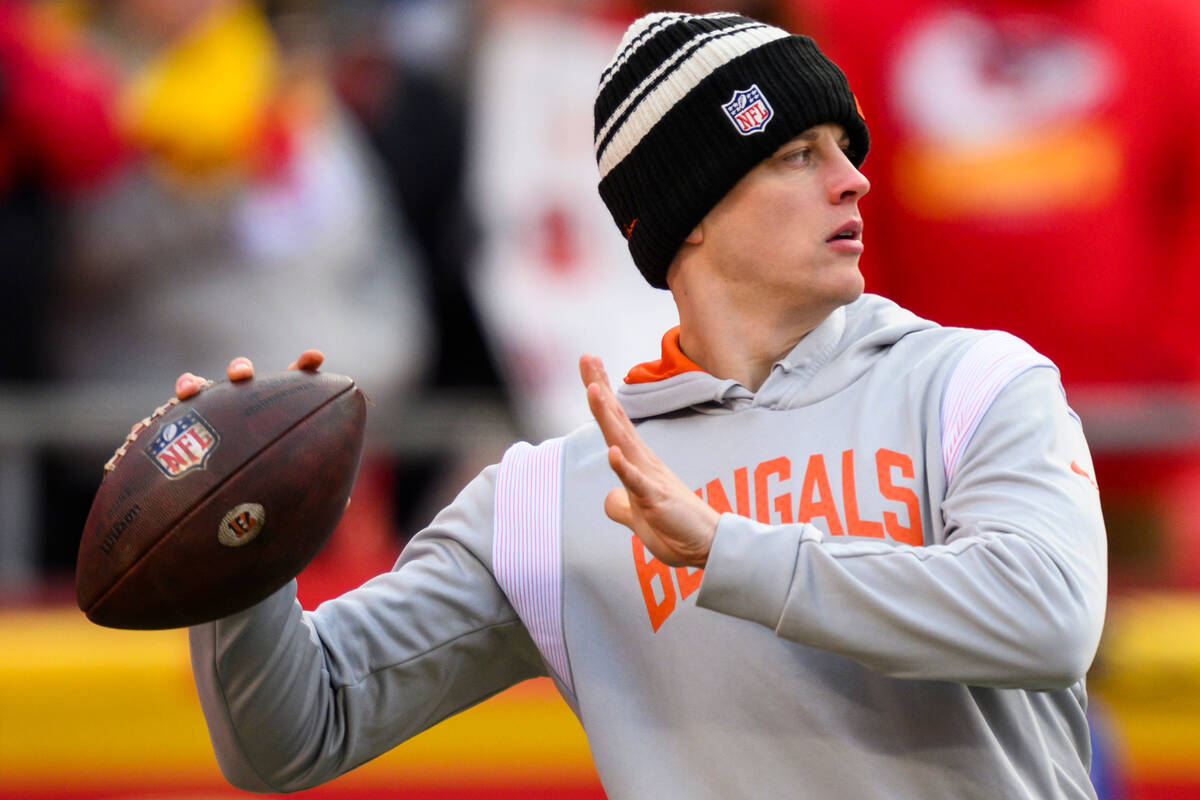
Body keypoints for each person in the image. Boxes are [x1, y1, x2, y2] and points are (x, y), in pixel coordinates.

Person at [175, 12, 1107, 798]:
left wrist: (730, 553)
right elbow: (292, 736)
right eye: (798, 152)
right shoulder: (552, 498)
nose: (853, 177)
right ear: (688, 211)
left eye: (846, 148)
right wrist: (237, 544)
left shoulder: (975, 384)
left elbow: (1049, 619)